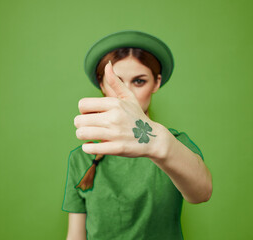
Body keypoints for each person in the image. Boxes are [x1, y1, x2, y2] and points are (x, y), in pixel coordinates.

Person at [61, 30, 213, 240]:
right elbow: (75, 235)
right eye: (116, 82)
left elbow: (202, 192)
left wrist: (159, 144)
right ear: (102, 84)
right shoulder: (83, 157)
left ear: (156, 83)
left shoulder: (175, 144)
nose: (127, 94)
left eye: (139, 81)